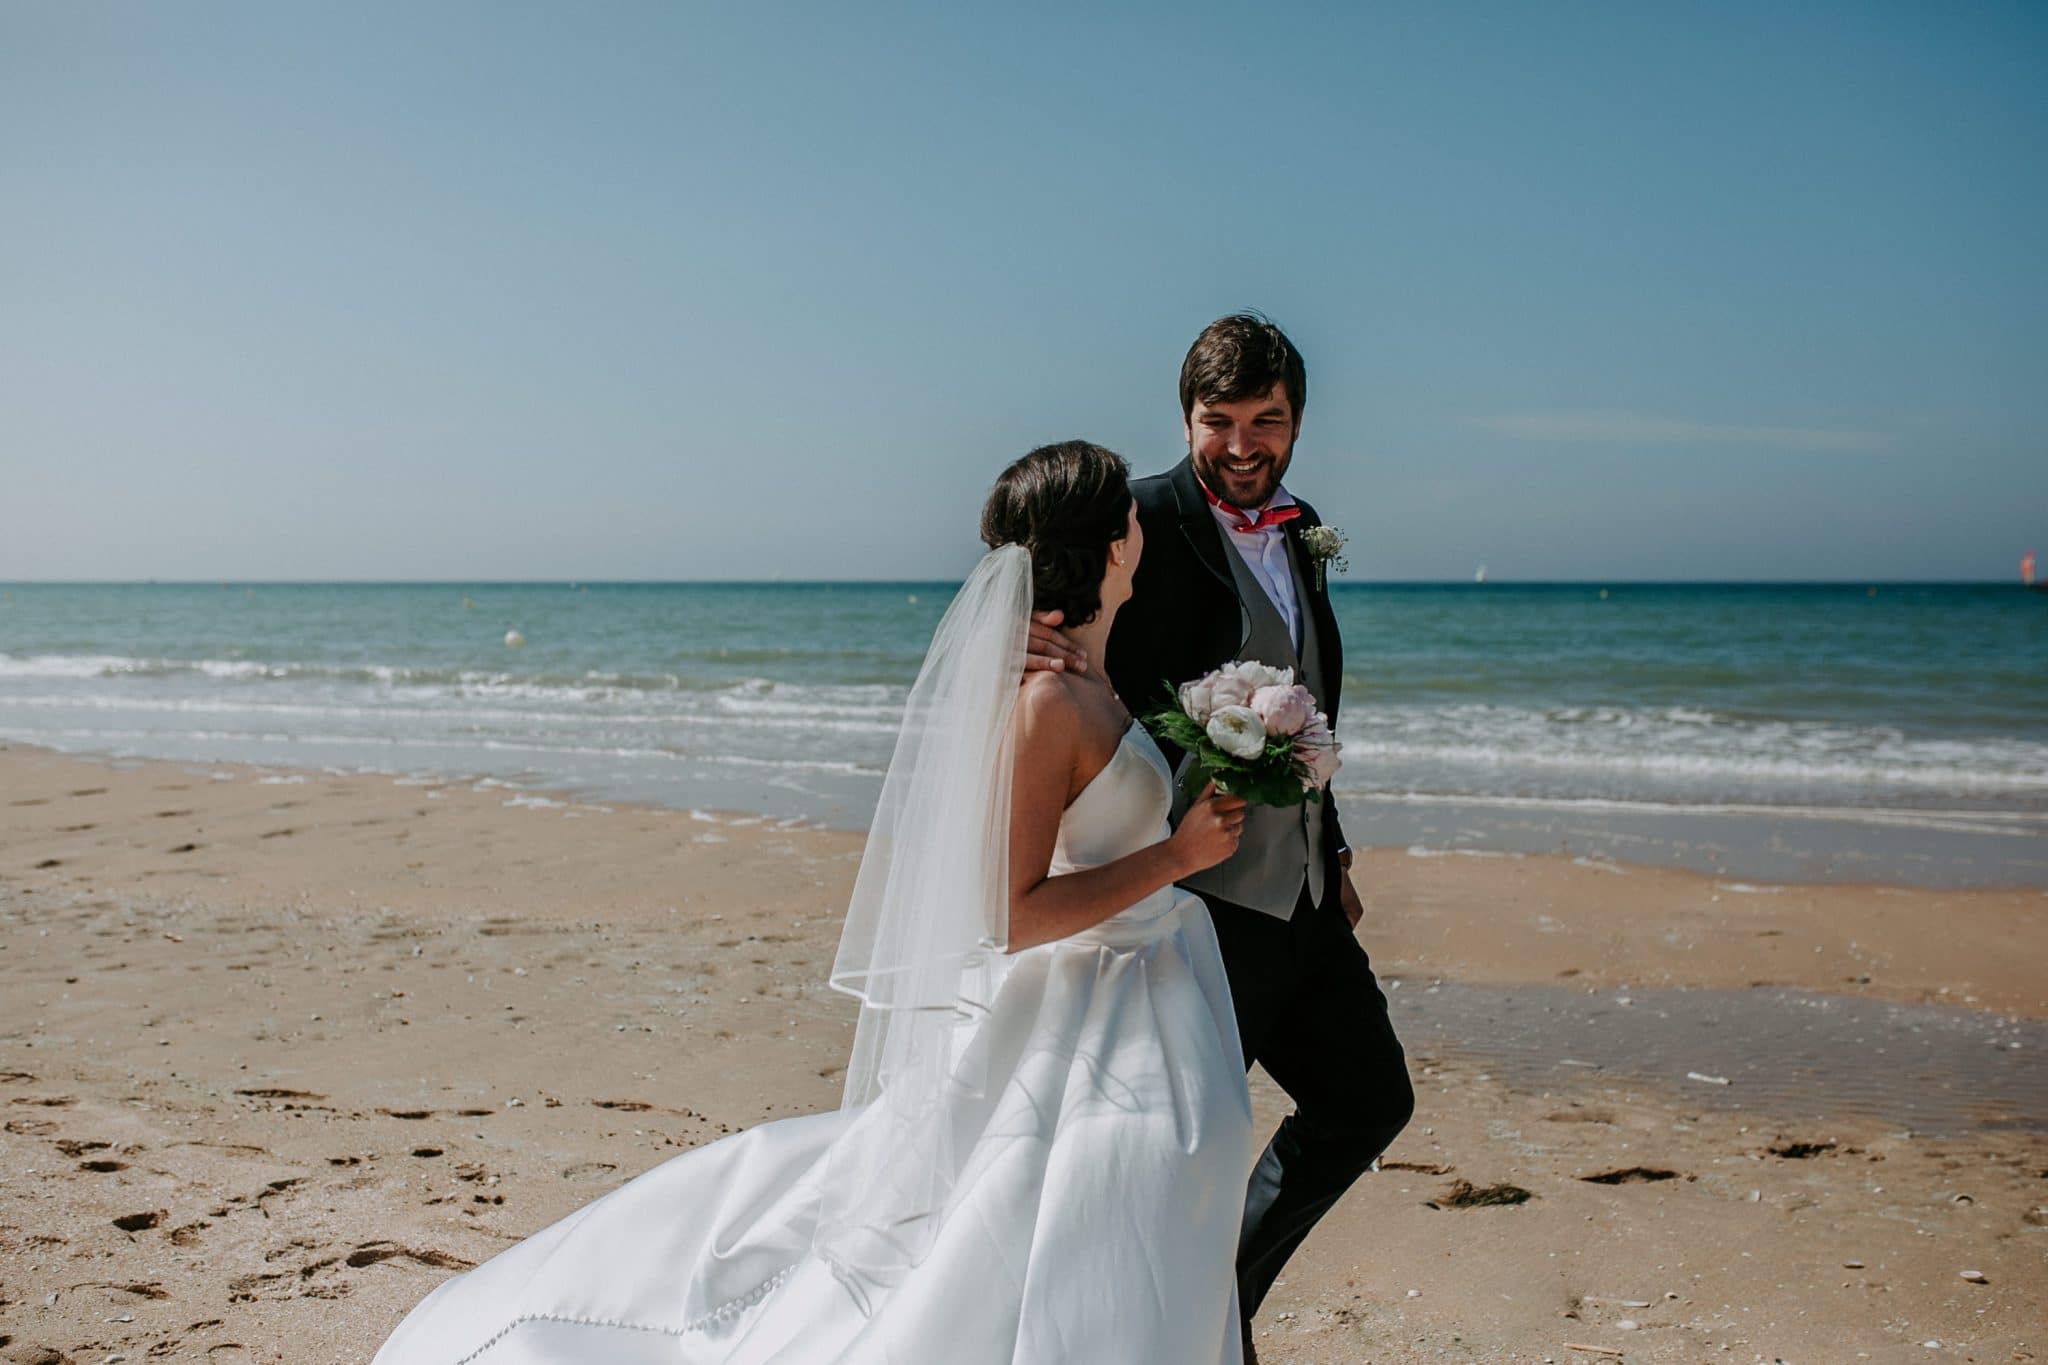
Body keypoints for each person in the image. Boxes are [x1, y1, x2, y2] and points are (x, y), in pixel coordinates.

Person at [372, 441, 1261, 1364]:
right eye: (1129, 511)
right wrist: (1176, 855)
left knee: (1134, 1209)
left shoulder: (1094, 677)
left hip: (1139, 995)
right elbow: (1010, 915)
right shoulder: (1046, 705)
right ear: (1112, 546)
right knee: (1085, 1212)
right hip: (1083, 1010)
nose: (1141, 523)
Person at [1029, 314, 1416, 1359]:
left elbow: (1306, 694)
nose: (1241, 446)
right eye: (1218, 422)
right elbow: (1048, 596)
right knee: (1182, 1152)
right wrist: (1039, 646)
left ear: (1295, 421)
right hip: (1193, 906)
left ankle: (1210, 1300)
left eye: (1266, 421)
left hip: (1297, 894)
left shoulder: (1302, 526)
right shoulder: (1141, 515)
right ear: (1185, 417)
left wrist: (1327, 846)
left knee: (1367, 1097)